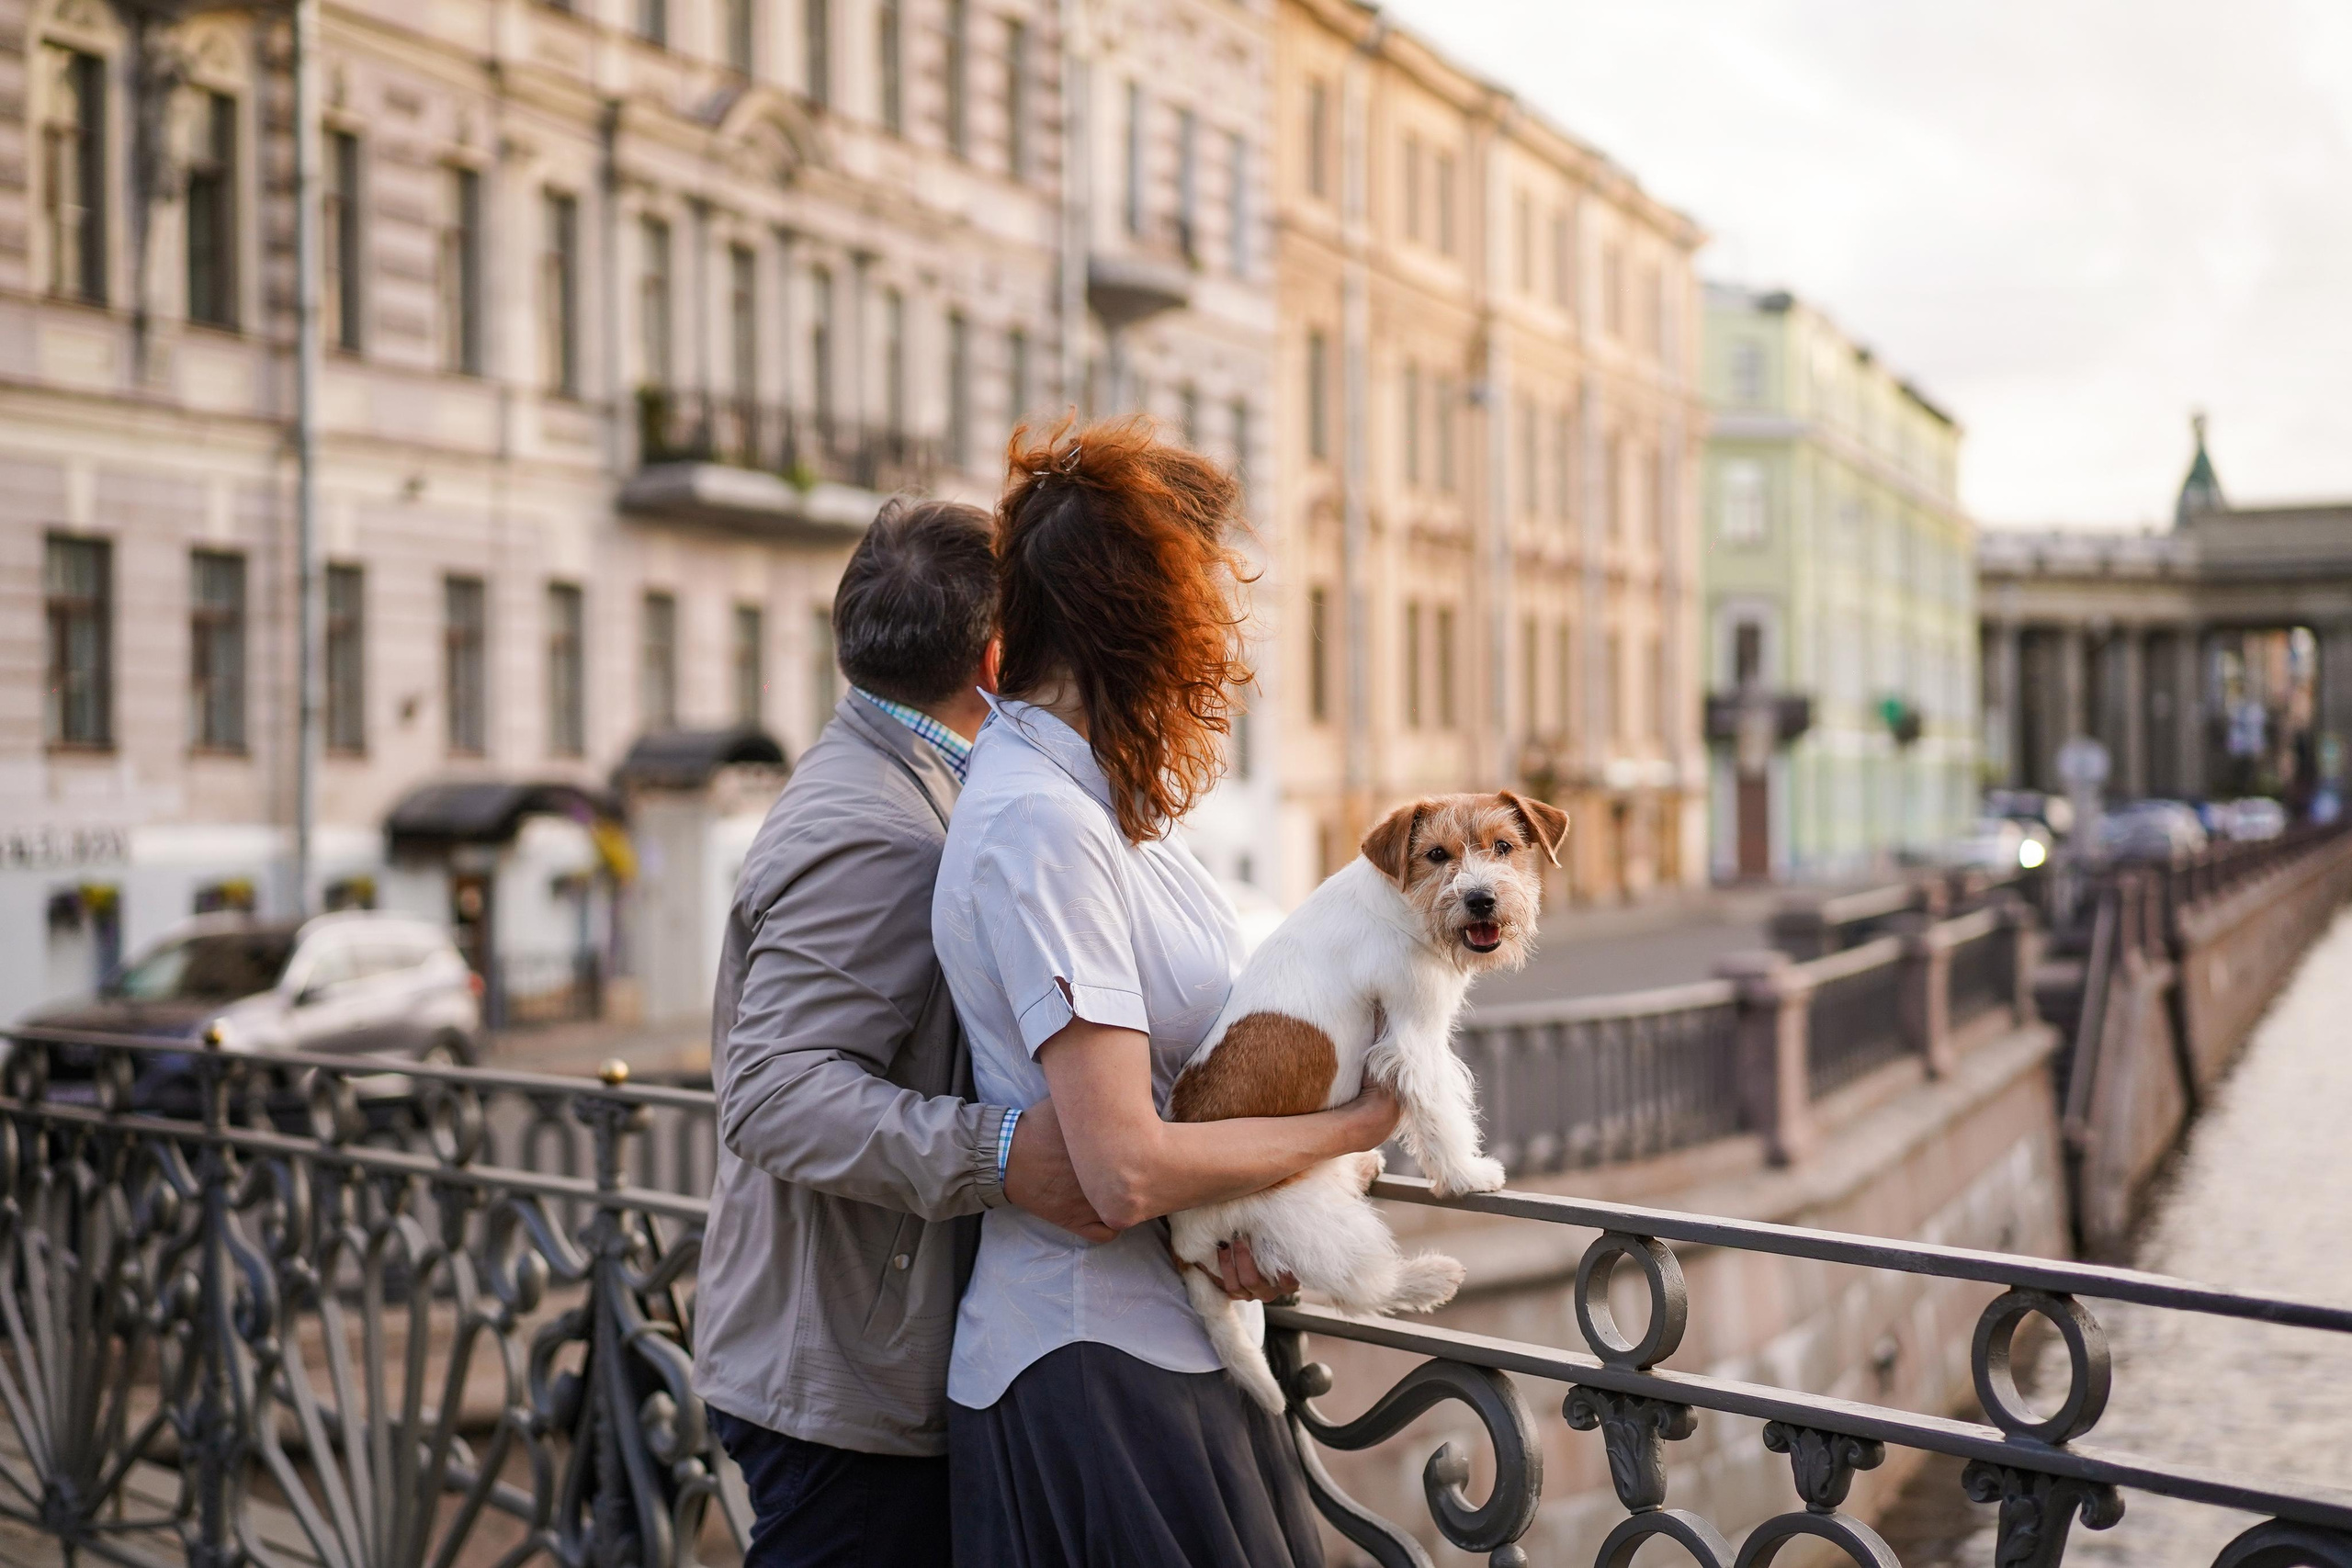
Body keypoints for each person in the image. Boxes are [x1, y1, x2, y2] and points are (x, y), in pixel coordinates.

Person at [693, 497, 1293, 1568]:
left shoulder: (925, 781)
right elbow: (772, 1091)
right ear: (1000, 653)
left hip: (854, 1348)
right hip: (850, 1379)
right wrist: (1002, 1154)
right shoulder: (885, 824)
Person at [936, 420, 1402, 1566]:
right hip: (1093, 1367)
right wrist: (1353, 1127)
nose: (1218, 642)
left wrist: (1276, 1200)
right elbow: (1125, 1165)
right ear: (1137, 620)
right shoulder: (1043, 825)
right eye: (1198, 600)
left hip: (1160, 1347)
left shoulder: (1090, 806)